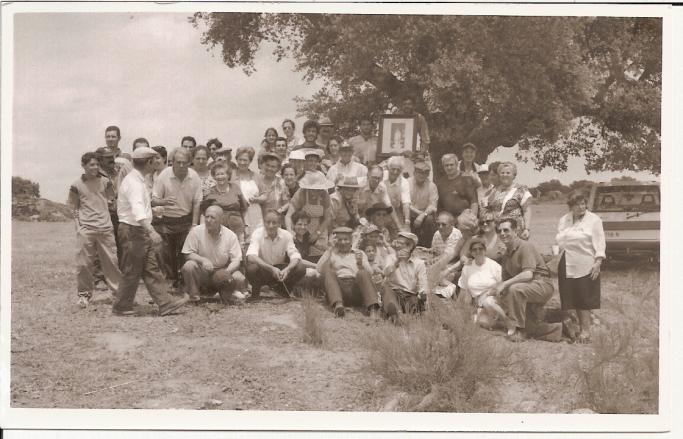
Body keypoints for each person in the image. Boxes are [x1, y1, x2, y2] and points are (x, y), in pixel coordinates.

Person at [113, 147, 188, 316]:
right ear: (148, 162)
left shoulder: (138, 180)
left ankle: (165, 303)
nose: (156, 163)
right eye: (154, 160)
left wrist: (161, 203)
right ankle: (121, 306)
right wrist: (151, 231)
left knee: (151, 268)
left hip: (138, 230)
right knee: (132, 269)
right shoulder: (134, 183)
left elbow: (143, 203)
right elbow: (138, 210)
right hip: (133, 230)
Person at [491, 218, 562, 342]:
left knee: (514, 289)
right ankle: (559, 328)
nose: (502, 233)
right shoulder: (506, 255)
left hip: (542, 284)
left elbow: (528, 274)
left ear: (515, 231)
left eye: (506, 230)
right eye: (499, 231)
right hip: (526, 287)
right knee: (530, 328)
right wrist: (495, 291)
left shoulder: (525, 246)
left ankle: (518, 329)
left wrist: (505, 284)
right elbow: (505, 282)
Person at [69, 152, 122, 308]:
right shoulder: (76, 185)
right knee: (83, 264)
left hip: (105, 228)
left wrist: (110, 204)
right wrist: (79, 226)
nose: (95, 167)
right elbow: (74, 207)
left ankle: (118, 294)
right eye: (91, 165)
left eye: (97, 164)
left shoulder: (106, 182)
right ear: (83, 166)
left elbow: (112, 201)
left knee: (112, 263)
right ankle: (84, 295)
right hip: (86, 229)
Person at [556, 191, 606, 343]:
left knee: (584, 298)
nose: (581, 207)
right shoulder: (564, 220)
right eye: (577, 204)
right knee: (569, 298)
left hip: (586, 263)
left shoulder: (594, 220)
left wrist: (598, 262)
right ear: (571, 206)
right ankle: (573, 328)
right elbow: (560, 241)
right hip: (566, 262)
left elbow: (600, 242)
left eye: (583, 203)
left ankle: (585, 331)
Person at [152, 147, 202, 289]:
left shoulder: (194, 177)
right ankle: (170, 282)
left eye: (184, 162)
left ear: (189, 163)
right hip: (165, 221)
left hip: (185, 220)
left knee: (185, 253)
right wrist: (164, 202)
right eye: (178, 162)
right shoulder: (164, 176)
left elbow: (197, 202)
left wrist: (194, 224)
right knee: (166, 255)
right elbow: (154, 200)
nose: (181, 165)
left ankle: (185, 283)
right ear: (172, 162)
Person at [181, 205, 246, 303]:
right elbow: (187, 253)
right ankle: (194, 297)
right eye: (206, 217)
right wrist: (203, 260)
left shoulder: (230, 235)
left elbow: (236, 260)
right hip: (203, 271)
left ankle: (224, 294)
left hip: (222, 269)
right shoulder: (195, 232)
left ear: (221, 220)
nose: (208, 220)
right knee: (189, 266)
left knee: (239, 278)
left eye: (212, 217)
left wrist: (225, 273)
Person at [316, 227, 380, 318]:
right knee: (329, 272)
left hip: (355, 289)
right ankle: (338, 306)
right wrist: (329, 248)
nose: (343, 242)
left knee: (362, 272)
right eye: (340, 240)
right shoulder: (332, 253)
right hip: (339, 290)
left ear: (351, 240)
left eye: (346, 239)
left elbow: (370, 273)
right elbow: (319, 269)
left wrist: (361, 265)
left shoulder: (359, 253)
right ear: (336, 241)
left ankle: (373, 309)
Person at [245, 209, 306, 300]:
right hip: (264, 270)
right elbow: (251, 256)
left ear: (279, 223)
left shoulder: (286, 235)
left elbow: (295, 256)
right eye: (268, 222)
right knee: (251, 269)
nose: (271, 226)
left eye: (274, 223)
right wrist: (271, 268)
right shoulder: (257, 233)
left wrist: (287, 269)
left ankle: (283, 291)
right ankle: (255, 294)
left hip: (280, 272)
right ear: (264, 222)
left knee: (300, 268)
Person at [458, 237, 508, 329]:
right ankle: (495, 321)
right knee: (478, 322)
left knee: (488, 302)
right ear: (471, 252)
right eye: (474, 249)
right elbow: (463, 289)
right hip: (479, 303)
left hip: (494, 300)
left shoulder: (493, 265)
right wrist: (461, 309)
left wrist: (490, 293)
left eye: (480, 248)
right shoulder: (467, 267)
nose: (478, 251)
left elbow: (503, 284)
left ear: (485, 250)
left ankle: (508, 322)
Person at [285, 170, 333, 261]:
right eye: (314, 189)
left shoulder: (325, 195)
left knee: (320, 256)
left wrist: (318, 233)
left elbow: (327, 218)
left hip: (320, 228)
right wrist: (290, 231)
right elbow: (289, 215)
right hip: (302, 228)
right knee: (300, 256)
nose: (317, 192)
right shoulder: (301, 193)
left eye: (319, 189)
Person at [382, 231, 428, 324]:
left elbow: (423, 283)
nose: (397, 245)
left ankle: (411, 314)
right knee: (386, 290)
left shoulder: (419, 263)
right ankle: (396, 316)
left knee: (416, 301)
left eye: (400, 243)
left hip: (410, 295)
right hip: (394, 293)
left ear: (410, 246)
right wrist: (397, 261)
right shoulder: (391, 258)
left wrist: (422, 294)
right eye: (397, 242)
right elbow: (385, 273)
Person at [202, 162, 248, 243]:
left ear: (228, 175)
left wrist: (246, 227)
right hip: (217, 229)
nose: (220, 177)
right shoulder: (210, 192)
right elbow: (204, 213)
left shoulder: (235, 188)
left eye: (222, 174)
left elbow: (244, 208)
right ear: (214, 176)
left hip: (237, 228)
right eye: (217, 174)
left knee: (237, 249)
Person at [487, 162, 532, 240]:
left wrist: (526, 229)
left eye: (508, 173)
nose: (505, 175)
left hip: (516, 231)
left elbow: (526, 210)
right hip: (498, 231)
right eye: (502, 173)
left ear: (514, 175)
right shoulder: (494, 190)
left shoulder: (521, 189)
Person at [435, 153, 479, 218]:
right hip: (447, 218)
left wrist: (472, 217)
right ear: (443, 167)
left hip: (464, 216)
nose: (449, 167)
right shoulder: (440, 183)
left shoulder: (466, 179)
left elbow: (474, 202)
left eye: (451, 165)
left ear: (456, 165)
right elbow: (439, 205)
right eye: (446, 165)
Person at [358, 166, 401, 232]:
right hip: (353, 216)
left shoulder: (382, 187)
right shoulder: (358, 184)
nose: (376, 181)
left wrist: (399, 227)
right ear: (368, 175)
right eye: (374, 177)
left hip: (370, 218)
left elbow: (389, 206)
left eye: (379, 178)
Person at [233, 146, 263, 236]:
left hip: (255, 212)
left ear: (250, 161)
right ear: (236, 160)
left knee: (255, 237)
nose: (242, 163)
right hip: (238, 212)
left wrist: (258, 199)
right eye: (240, 160)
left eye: (245, 160)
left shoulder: (256, 176)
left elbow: (265, 195)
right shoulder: (231, 175)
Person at [408, 159, 438, 247]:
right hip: (409, 214)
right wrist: (419, 214)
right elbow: (406, 203)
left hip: (424, 216)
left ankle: (428, 247)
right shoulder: (407, 183)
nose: (422, 175)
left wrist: (422, 215)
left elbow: (432, 205)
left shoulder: (431, 186)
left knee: (429, 220)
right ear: (414, 173)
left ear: (428, 174)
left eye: (425, 173)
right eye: (419, 172)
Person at [255, 152, 289, 216]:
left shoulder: (281, 182)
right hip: (258, 217)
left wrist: (278, 211)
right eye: (267, 165)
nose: (269, 168)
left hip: (275, 218)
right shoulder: (257, 180)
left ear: (278, 169)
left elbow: (287, 203)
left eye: (273, 167)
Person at [384, 156, 411, 232]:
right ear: (388, 168)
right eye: (393, 169)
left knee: (403, 233)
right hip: (379, 209)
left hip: (395, 211)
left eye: (398, 170)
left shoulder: (404, 182)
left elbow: (406, 203)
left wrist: (407, 222)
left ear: (401, 171)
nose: (395, 172)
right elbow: (388, 204)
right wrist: (399, 226)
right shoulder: (381, 176)